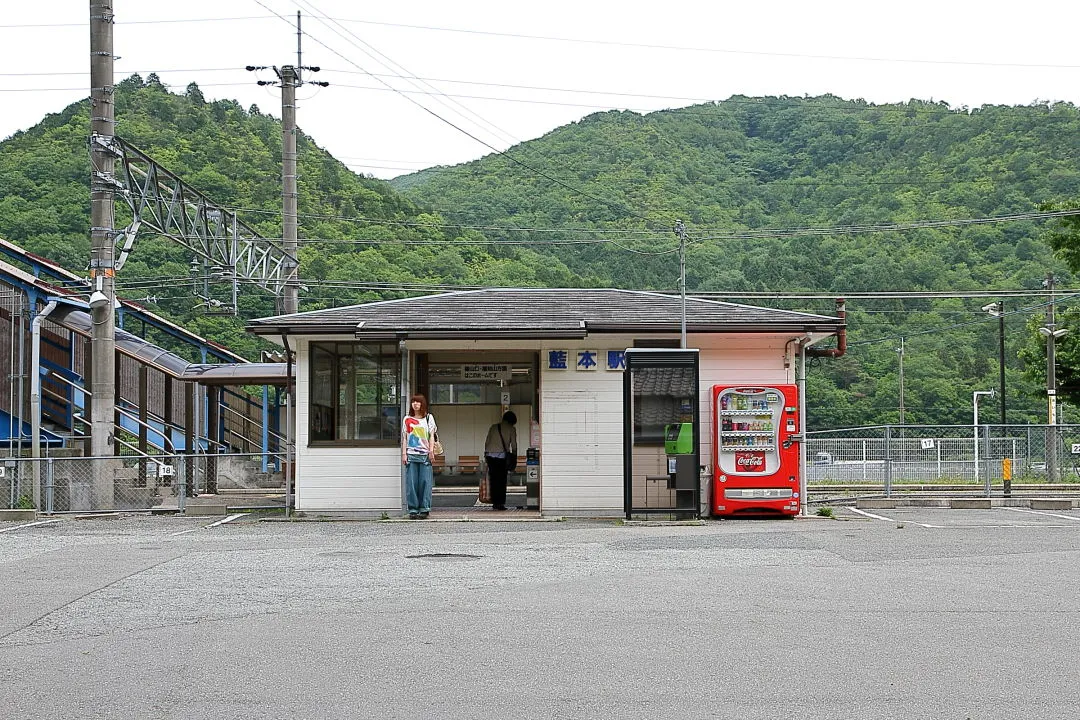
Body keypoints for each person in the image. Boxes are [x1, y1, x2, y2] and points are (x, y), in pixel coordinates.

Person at [401, 393, 437, 519]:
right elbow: (405, 438)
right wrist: (404, 454)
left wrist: (431, 451)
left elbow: (432, 436)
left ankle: (425, 508)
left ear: (422, 404)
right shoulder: (407, 419)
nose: (415, 404)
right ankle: (413, 510)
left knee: (425, 483)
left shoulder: (428, 418)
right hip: (411, 454)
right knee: (411, 484)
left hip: (425, 455)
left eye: (418, 402)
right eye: (413, 402)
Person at [484, 410, 518, 511]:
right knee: (502, 480)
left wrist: (485, 454)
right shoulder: (511, 429)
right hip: (501, 457)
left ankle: (494, 502)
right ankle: (500, 503)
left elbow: (487, 442)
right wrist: (514, 456)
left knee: (493, 480)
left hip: (490, 456)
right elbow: (514, 445)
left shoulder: (493, 427)